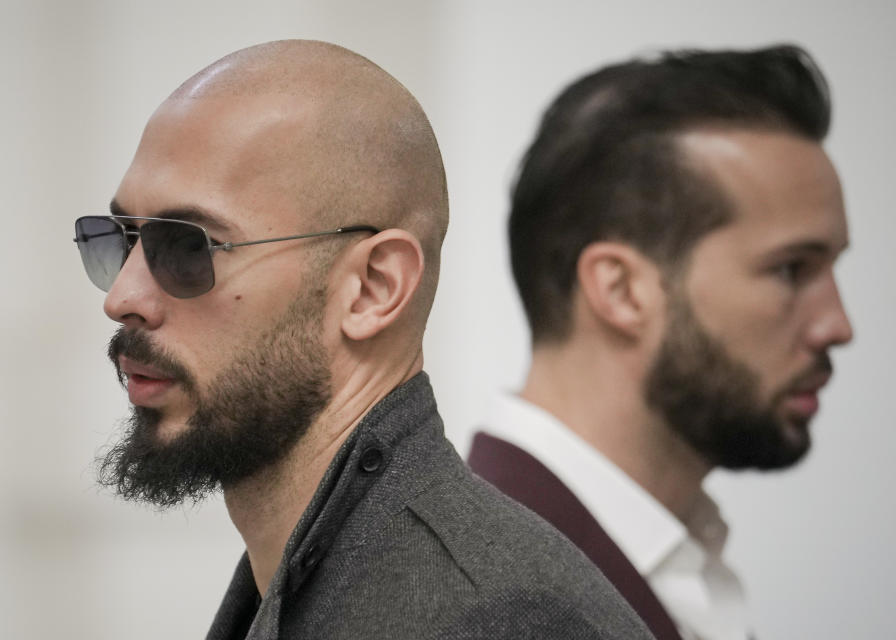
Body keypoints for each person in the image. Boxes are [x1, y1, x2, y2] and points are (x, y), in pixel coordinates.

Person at [73, 40, 652, 640]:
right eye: (120, 239)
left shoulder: (497, 619)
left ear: (374, 288)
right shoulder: (313, 575)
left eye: (187, 245)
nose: (121, 299)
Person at [468, 44, 854, 640]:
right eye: (791, 270)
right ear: (621, 290)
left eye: (832, 269)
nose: (838, 325)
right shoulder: (476, 599)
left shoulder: (673, 557)